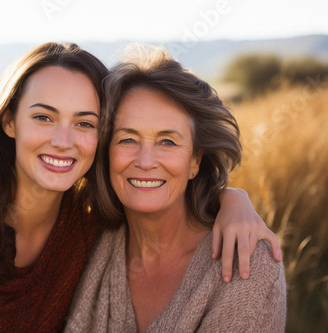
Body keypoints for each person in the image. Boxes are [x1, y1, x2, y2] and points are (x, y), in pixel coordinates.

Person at [0, 42, 281, 332]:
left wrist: (231, 198)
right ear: (9, 120)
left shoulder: (86, 223)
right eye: (44, 117)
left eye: (84, 122)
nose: (63, 141)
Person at [64, 44, 287, 333]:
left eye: (167, 141)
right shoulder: (85, 238)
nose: (145, 162)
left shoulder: (248, 266)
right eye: (127, 140)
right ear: (105, 152)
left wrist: (233, 197)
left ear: (195, 160)